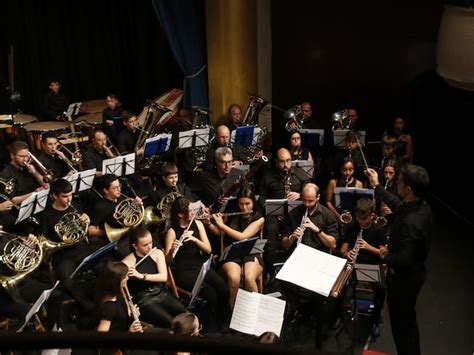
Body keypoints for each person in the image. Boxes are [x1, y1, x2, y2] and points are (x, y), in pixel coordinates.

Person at [365, 164, 432, 355]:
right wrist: (377, 185)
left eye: (399, 181)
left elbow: (404, 259)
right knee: (408, 324)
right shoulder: (419, 205)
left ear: (408, 189)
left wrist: (385, 254)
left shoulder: (413, 221)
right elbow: (397, 205)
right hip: (412, 276)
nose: (396, 183)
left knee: (402, 329)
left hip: (405, 281)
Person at [279, 183, 338, 347]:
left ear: (318, 198)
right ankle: (304, 311)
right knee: (282, 281)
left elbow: (333, 244)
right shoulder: (293, 214)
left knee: (319, 299)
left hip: (320, 261)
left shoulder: (327, 215)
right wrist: (291, 238)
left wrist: (316, 229)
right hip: (299, 259)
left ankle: (318, 338)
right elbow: (283, 245)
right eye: (304, 200)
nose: (306, 205)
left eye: (310, 201)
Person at [165, 196, 230, 329]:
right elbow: (167, 261)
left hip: (200, 266)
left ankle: (225, 320)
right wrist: (172, 250)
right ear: (180, 214)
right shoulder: (172, 231)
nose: (193, 213)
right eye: (189, 211)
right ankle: (211, 327)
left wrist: (194, 239)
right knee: (210, 294)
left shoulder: (198, 224)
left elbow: (208, 249)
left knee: (223, 287)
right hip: (184, 271)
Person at [40, 178, 95, 313]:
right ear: (54, 196)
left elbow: (84, 232)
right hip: (63, 255)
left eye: (70, 195)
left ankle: (103, 300)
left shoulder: (75, 206)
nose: (69, 199)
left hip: (82, 249)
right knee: (68, 281)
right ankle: (90, 308)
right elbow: (42, 239)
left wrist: (86, 222)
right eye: (65, 196)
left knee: (104, 268)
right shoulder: (46, 215)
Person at [207, 184, 264, 307]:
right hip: (231, 253)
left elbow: (242, 236)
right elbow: (220, 233)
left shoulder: (259, 218)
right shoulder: (231, 214)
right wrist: (208, 224)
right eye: (241, 204)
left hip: (251, 252)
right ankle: (230, 311)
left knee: (249, 277)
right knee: (234, 278)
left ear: (253, 202)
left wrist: (222, 225)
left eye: (247, 204)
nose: (244, 208)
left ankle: (255, 311)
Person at [340, 198, 387, 338]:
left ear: (371, 215)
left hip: (372, 264)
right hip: (355, 264)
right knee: (338, 284)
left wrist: (368, 247)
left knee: (381, 288)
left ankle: (375, 321)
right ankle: (339, 314)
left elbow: (384, 254)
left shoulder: (378, 229)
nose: (360, 221)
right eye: (358, 218)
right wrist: (348, 253)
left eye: (364, 218)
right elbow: (343, 249)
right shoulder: (352, 226)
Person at [122, 227, 187, 328]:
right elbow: (121, 287)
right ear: (135, 246)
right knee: (171, 323)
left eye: (150, 242)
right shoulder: (127, 263)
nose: (149, 247)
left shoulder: (157, 253)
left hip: (161, 292)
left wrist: (141, 276)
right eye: (145, 245)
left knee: (186, 315)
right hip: (144, 300)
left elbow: (163, 277)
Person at [96, 261, 143, 333]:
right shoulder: (109, 307)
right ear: (117, 280)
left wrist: (134, 315)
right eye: (125, 276)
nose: (127, 278)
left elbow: (122, 320)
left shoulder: (120, 293)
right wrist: (129, 332)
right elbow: (101, 338)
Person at [325, 157, 363, 222]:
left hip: (353, 216)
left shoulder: (358, 184)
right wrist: (338, 216)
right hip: (336, 214)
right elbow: (328, 201)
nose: (348, 173)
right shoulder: (333, 183)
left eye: (351, 170)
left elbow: (360, 203)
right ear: (340, 169)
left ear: (354, 170)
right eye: (344, 170)